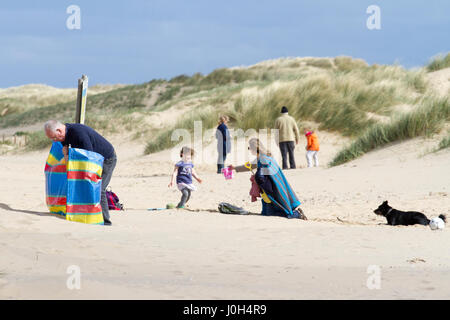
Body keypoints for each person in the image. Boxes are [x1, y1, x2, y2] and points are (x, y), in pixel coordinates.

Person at [44, 120, 117, 226]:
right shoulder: (64, 137)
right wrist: (65, 154)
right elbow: (69, 159)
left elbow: (89, 156)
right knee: (84, 185)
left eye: (54, 137)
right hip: (93, 159)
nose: (55, 140)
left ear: (59, 131)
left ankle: (105, 221)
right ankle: (85, 214)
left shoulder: (78, 133)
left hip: (107, 159)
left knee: (99, 188)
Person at [230, 138, 306, 219]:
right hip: (266, 190)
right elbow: (250, 166)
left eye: (249, 148)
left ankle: (297, 214)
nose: (249, 150)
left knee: (274, 213)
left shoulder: (263, 159)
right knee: (265, 213)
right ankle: (293, 212)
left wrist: (256, 178)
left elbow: (263, 175)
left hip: (271, 189)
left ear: (254, 148)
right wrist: (234, 168)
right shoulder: (264, 156)